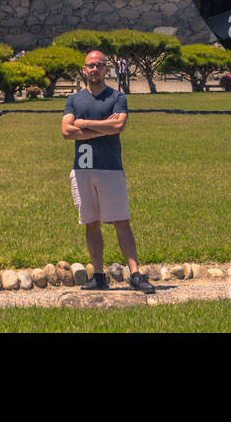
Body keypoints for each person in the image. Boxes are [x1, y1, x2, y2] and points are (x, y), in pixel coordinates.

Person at [61, 50, 155, 294]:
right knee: (91, 223)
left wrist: (85, 123)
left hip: (110, 167)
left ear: (106, 69)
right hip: (82, 168)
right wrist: (105, 129)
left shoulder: (117, 97)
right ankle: (99, 275)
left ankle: (135, 274)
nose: (95, 70)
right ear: (84, 70)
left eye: (99, 65)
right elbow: (66, 131)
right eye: (91, 66)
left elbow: (119, 125)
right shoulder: (74, 99)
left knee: (121, 221)